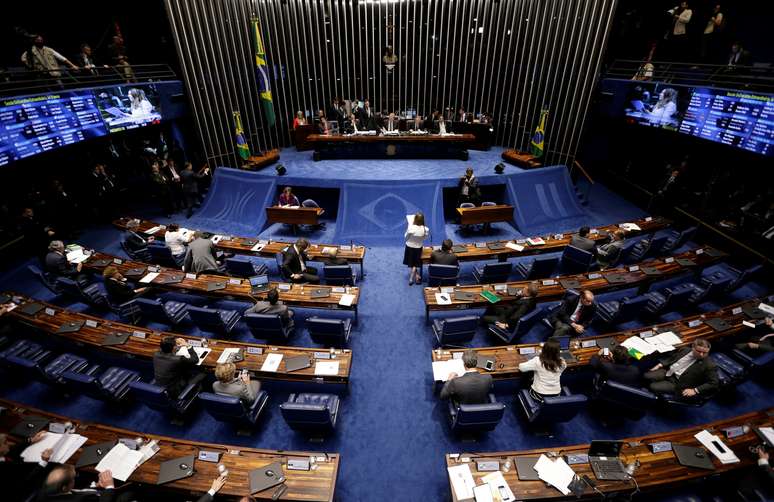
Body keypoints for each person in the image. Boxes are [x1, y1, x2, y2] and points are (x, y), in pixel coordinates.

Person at [644, 338, 719, 399]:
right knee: (646, 376)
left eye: (705, 352)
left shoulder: (710, 365)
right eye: (699, 351)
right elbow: (672, 358)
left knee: (653, 386)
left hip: (678, 383)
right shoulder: (685, 350)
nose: (701, 354)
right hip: (668, 372)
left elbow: (714, 383)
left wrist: (695, 390)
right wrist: (660, 365)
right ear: (693, 347)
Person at [0, 431, 55, 500]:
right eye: (5, 443)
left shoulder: (2, 453)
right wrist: (44, 461)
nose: (8, 444)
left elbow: (12, 449)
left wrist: (31, 440)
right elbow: (27, 478)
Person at [403, 212, 429, 285]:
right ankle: (417, 276)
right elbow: (424, 238)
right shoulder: (426, 229)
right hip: (418, 247)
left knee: (412, 263)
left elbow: (406, 237)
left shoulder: (411, 228)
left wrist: (408, 228)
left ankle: (411, 278)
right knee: (414, 263)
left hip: (409, 246)